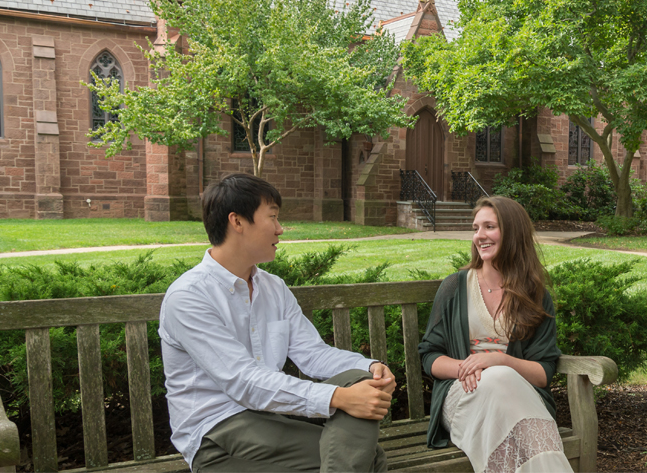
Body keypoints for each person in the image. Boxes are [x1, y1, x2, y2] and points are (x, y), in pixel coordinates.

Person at [159, 173, 394, 472]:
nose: (281, 229)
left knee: (360, 380)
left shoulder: (274, 288)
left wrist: (371, 368)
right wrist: (338, 398)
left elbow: (312, 353)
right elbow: (242, 381)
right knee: (370, 460)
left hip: (269, 417)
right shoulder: (189, 297)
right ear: (238, 222)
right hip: (217, 430)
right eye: (272, 217)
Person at [418, 196, 572, 473]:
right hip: (462, 394)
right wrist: (470, 368)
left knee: (502, 378)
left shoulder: (535, 296)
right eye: (476, 228)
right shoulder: (454, 287)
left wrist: (499, 361)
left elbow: (543, 372)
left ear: (512, 232)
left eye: (489, 227)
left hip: (517, 397)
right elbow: (430, 356)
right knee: (498, 381)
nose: (480, 236)